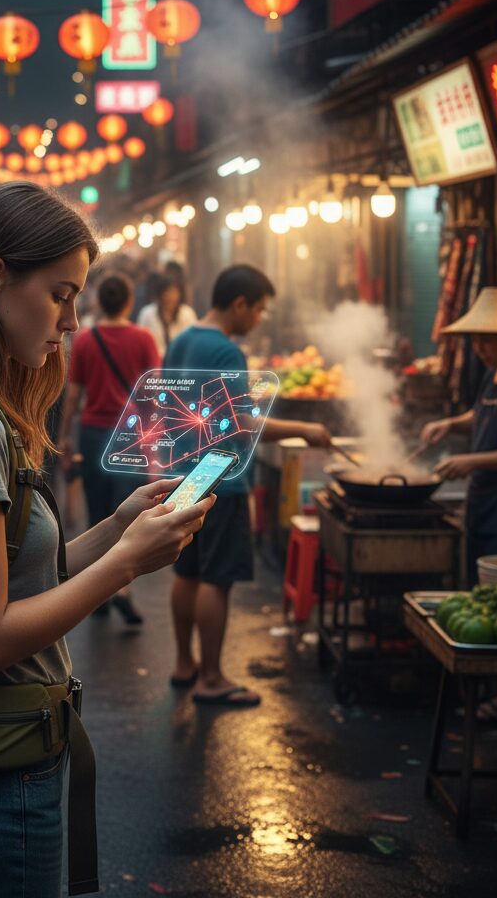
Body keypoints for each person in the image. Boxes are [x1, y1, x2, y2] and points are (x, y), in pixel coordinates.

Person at [0, 182, 214, 896]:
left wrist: (115, 530)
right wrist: (125, 563)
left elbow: (7, 578)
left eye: (78, 297)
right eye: (60, 294)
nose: (71, 319)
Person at [166, 265, 331, 708]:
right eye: (258, 309)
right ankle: (213, 678)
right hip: (221, 477)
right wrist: (305, 429)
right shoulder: (225, 350)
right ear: (239, 304)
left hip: (184, 470)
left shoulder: (183, 338)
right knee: (216, 579)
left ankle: (185, 664)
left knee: (187, 571)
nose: (259, 318)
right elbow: (237, 421)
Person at [421, 287, 497, 724]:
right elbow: (481, 414)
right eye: (476, 340)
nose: (480, 349)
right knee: (482, 592)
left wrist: (469, 460)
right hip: (484, 502)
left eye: (487, 340)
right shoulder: (495, 376)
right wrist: (450, 424)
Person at [58, 273, 161, 624]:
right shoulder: (144, 339)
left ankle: (98, 591)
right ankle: (121, 588)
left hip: (93, 432)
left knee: (99, 512)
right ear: (129, 302)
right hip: (131, 435)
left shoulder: (86, 340)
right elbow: (154, 396)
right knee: (127, 514)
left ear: (100, 301)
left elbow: (73, 395)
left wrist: (65, 435)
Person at [137, 273, 198, 356]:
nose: (170, 296)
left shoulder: (187, 313)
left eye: (174, 291)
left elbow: (193, 341)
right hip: (155, 363)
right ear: (160, 293)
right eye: (167, 291)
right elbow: (140, 342)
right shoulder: (147, 313)